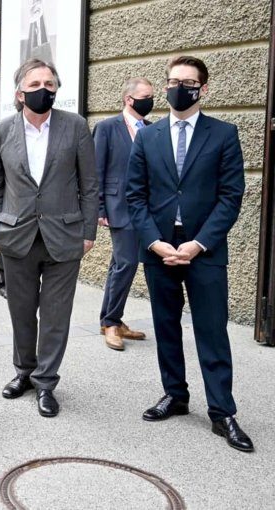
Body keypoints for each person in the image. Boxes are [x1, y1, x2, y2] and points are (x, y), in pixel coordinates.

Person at [126, 56, 252, 452]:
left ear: (203, 89)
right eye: (173, 81)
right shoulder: (148, 136)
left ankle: (222, 411)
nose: (179, 87)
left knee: (211, 330)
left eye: (189, 82)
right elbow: (135, 196)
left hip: (204, 249)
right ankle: (175, 395)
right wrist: (153, 240)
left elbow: (231, 197)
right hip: (160, 247)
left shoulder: (224, 134)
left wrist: (199, 243)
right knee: (166, 325)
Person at [0, 59, 97, 418]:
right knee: (21, 312)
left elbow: (89, 185)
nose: (44, 89)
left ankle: (46, 382)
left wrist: (88, 232)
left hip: (65, 236)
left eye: (50, 83)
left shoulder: (75, 127)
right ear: (19, 93)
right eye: (35, 84)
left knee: (55, 315)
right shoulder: (1, 132)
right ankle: (24, 372)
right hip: (16, 237)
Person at [94, 77, 153, 350]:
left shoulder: (152, 129)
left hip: (146, 208)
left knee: (119, 264)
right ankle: (112, 322)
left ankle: (110, 319)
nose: (150, 101)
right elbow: (96, 171)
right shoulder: (107, 128)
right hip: (119, 207)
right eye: (145, 96)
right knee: (127, 263)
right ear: (129, 99)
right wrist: (99, 208)